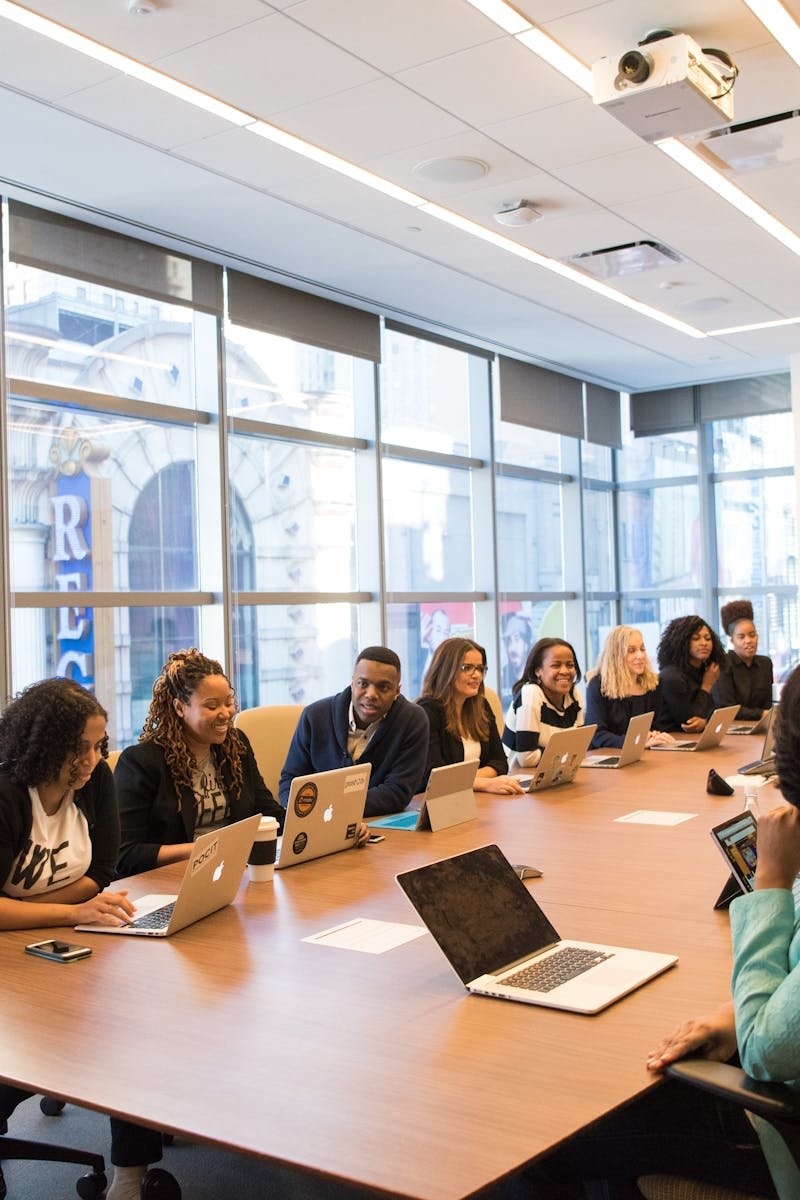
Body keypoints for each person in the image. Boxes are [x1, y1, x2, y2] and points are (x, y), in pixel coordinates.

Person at [0, 678, 166, 1200]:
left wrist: (57, 913)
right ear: (45, 746)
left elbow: (105, 869)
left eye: (99, 744)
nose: (94, 758)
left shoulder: (93, 784)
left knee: (135, 1026)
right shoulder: (7, 795)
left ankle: (131, 1175)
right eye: (82, 748)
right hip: (11, 960)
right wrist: (68, 912)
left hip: (59, 940)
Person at [116, 648, 284, 878]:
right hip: (173, 881)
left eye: (228, 702)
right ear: (179, 708)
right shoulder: (142, 762)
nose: (226, 713)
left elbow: (267, 811)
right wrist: (206, 850)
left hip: (232, 872)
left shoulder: (235, 746)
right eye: (212, 706)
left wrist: (306, 830)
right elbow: (125, 854)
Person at [279, 646, 429, 818]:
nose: (371, 694)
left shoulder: (412, 720)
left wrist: (333, 806)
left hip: (378, 824)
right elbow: (290, 782)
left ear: (397, 691)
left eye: (383, 687)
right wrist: (317, 812)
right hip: (317, 821)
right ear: (352, 683)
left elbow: (397, 791)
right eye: (363, 684)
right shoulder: (314, 717)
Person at [416, 638, 525, 795]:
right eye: (467, 668)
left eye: (480, 668)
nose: (477, 675)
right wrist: (483, 783)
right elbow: (435, 777)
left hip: (474, 797)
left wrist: (469, 781)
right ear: (445, 670)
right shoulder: (426, 712)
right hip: (436, 804)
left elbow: (500, 762)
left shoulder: (481, 707)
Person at [585, 626, 675, 749]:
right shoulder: (598, 686)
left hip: (642, 754)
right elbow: (597, 735)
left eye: (642, 649)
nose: (640, 656)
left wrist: (654, 735)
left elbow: (656, 725)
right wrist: (635, 742)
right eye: (631, 650)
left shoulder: (653, 683)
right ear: (615, 655)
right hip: (608, 756)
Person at [502, 637, 584, 770]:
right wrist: (565, 755)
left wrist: (564, 755)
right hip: (518, 779)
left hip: (555, 773)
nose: (565, 671)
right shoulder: (531, 693)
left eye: (570, 665)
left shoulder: (573, 695)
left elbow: (579, 748)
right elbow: (527, 759)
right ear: (538, 671)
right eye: (556, 665)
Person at [656, 615, 728, 733]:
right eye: (696, 638)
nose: (704, 643)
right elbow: (690, 722)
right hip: (672, 740)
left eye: (708, 638)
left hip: (694, 739)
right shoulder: (671, 676)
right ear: (682, 643)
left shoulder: (707, 670)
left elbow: (717, 711)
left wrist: (706, 722)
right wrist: (706, 686)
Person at [712, 599, 774, 721]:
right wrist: (761, 714)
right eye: (741, 637)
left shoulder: (765, 663)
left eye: (752, 635)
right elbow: (727, 709)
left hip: (761, 724)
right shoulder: (723, 664)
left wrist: (766, 716)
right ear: (732, 640)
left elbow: (767, 704)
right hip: (731, 728)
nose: (748, 641)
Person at [500, 611, 533, 703]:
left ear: (526, 644)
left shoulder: (536, 676)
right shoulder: (503, 677)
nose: (511, 649)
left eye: (517, 640)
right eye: (508, 641)